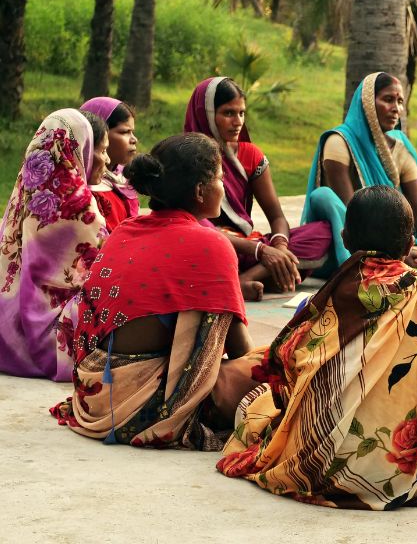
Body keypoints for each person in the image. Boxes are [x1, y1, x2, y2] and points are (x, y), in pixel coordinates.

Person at [218, 186, 417, 509]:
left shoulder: (327, 296)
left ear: (344, 238)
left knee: (256, 404)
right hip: (399, 473)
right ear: (409, 243)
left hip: (313, 462)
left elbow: (287, 369)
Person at [51, 133, 260, 449]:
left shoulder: (126, 229)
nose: (224, 187)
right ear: (200, 191)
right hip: (141, 408)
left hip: (91, 394)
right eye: (220, 178)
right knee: (278, 366)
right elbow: (242, 351)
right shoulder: (211, 245)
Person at [303, 72, 417, 282]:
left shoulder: (401, 147)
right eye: (388, 99)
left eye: (400, 101)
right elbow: (352, 212)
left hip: (400, 244)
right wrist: (398, 253)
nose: (396, 108)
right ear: (367, 103)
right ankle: (374, 267)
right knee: (323, 196)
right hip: (352, 241)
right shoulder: (340, 141)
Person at [185, 77, 336, 301]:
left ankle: (242, 280)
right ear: (205, 113)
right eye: (228, 113)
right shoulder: (185, 156)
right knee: (199, 246)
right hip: (209, 246)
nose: (238, 122)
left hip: (247, 248)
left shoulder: (250, 155)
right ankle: (249, 279)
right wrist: (261, 252)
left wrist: (280, 247)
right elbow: (195, 226)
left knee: (321, 232)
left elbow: (276, 216)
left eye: (242, 113)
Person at [0, 109, 107, 381]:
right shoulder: (79, 205)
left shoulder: (31, 184)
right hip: (50, 332)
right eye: (100, 150)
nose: (105, 159)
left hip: (8, 321)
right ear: (79, 149)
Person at [81, 97, 139, 230]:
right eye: (124, 132)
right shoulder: (89, 190)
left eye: (132, 132)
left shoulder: (123, 178)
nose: (134, 139)